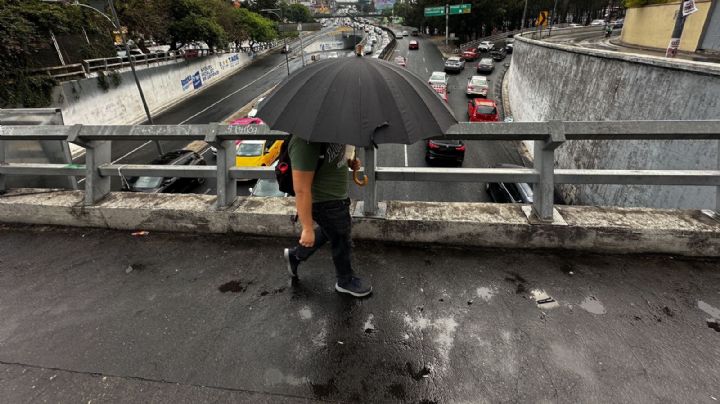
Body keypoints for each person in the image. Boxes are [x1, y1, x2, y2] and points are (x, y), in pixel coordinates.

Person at [283, 138, 373, 298]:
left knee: (330, 231)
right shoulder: (305, 142)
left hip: (337, 198)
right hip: (325, 201)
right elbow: (301, 189)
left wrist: (349, 162)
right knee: (342, 239)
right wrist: (307, 228)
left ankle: (295, 255)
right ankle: (345, 281)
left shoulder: (331, 132)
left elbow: (332, 160)